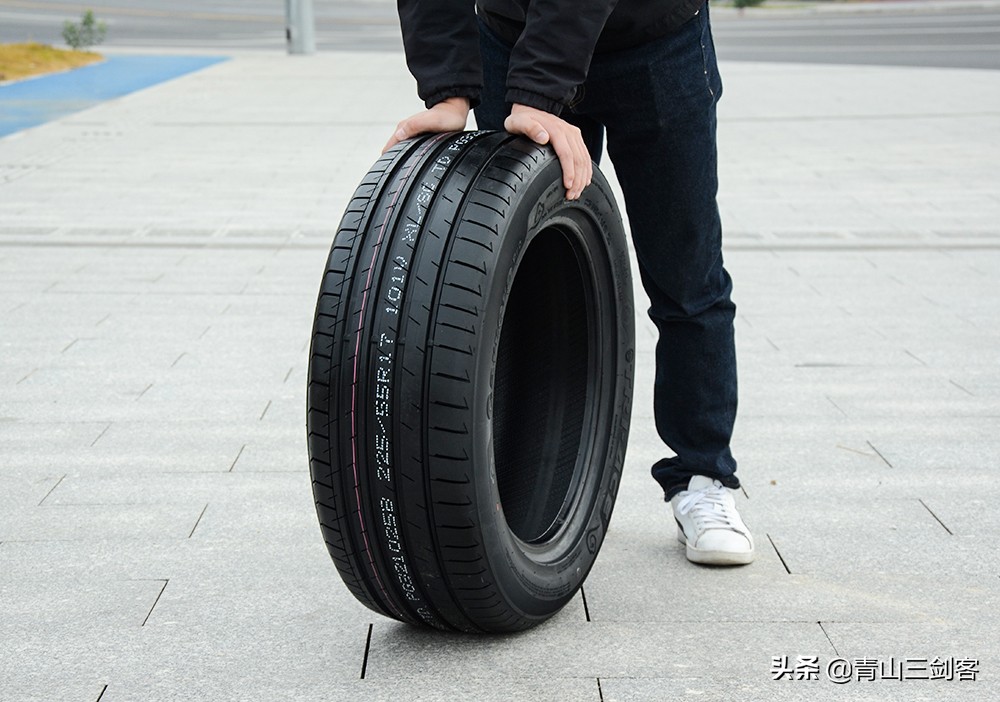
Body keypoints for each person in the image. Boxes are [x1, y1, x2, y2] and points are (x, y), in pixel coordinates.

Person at [384, 0, 754, 566]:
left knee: (687, 280)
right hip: (513, 38)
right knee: (520, 284)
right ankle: (531, 486)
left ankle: (704, 478)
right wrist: (449, 91)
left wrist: (538, 92)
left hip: (654, 39)